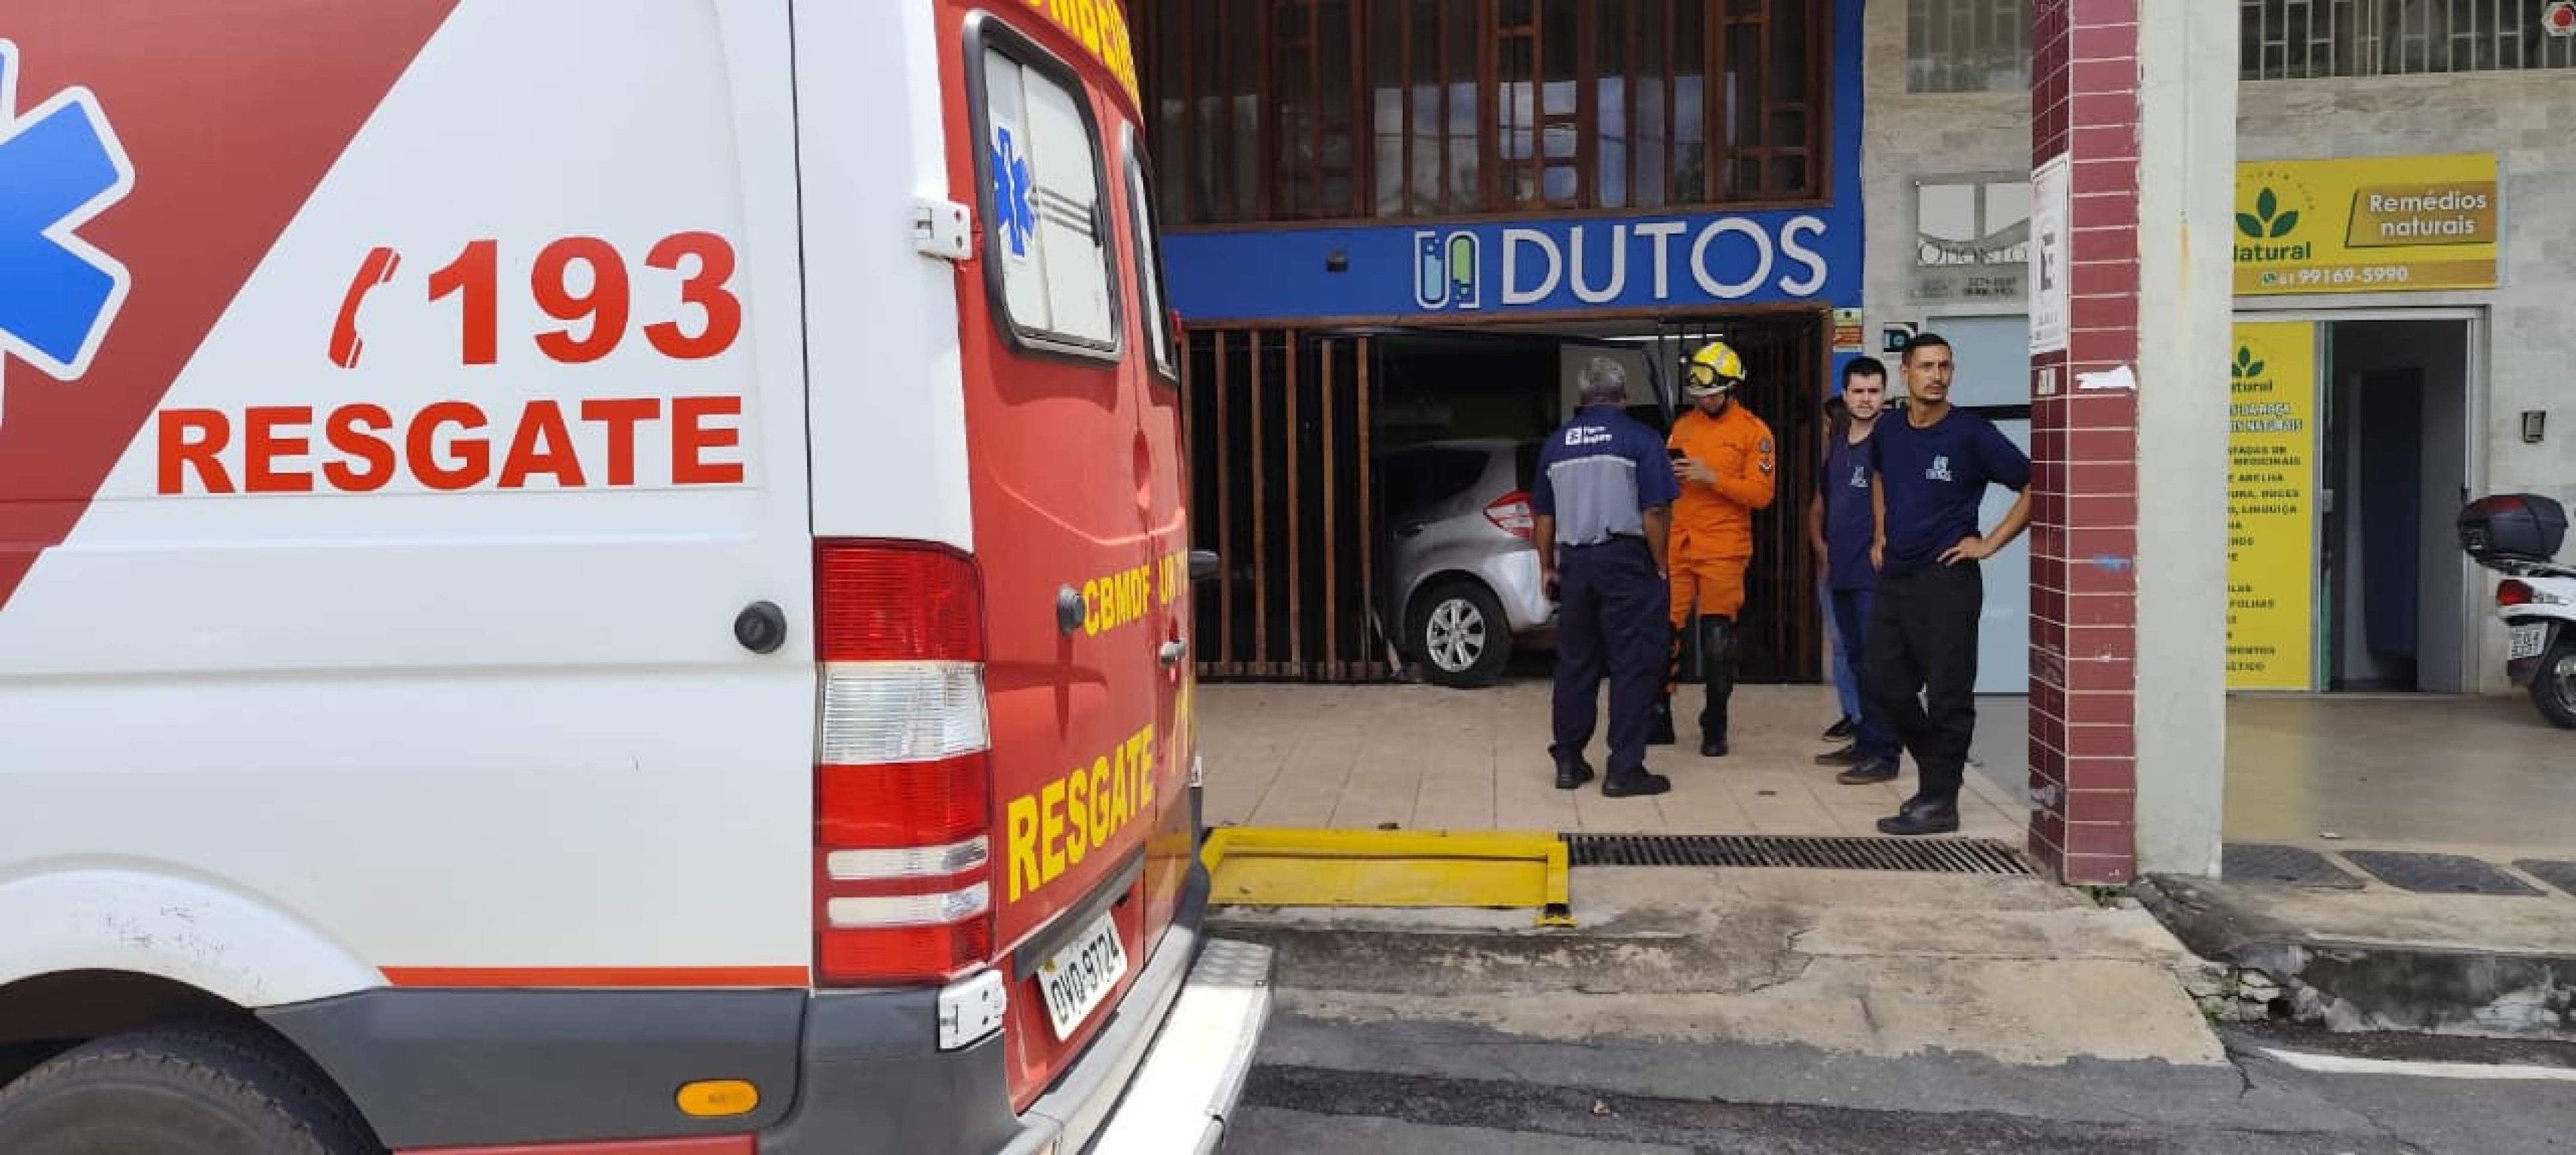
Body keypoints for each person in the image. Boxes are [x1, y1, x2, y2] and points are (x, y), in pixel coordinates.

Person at [1867, 333, 2032, 835]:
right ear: (1906, 372)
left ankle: (1940, 801)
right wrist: (1879, 533)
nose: (1936, 375)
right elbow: (1878, 477)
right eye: (1926, 366)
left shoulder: (1971, 433)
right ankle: (1939, 774)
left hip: (1947, 579)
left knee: (1948, 693)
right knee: (1882, 681)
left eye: (1945, 366)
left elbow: (2033, 484)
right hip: (1896, 574)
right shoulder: (1890, 429)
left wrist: (1990, 543)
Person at [1533, 357, 1679, 798]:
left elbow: (1543, 515)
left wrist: (1546, 566)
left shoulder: (1556, 445)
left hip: (1576, 564)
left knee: (1576, 664)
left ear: (1582, 397)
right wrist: (1660, 563)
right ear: (1624, 394)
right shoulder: (1640, 439)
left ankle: (1570, 762)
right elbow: (1655, 510)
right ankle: (1625, 769)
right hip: (1627, 562)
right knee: (1633, 663)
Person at [1656, 340, 1777, 758]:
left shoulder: (1754, 433)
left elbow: (1762, 495)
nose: (1704, 400)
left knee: (1716, 640)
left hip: (1723, 545)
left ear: (1730, 388)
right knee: (1663, 631)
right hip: (1679, 540)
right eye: (1699, 395)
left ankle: (1715, 720)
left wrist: (1712, 477)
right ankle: (1660, 712)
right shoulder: (1684, 426)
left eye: (1711, 393)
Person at [1807, 358, 1902, 784]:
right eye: (1859, 391)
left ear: (1885, 394)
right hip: (1841, 571)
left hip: (1874, 573)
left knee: (1879, 664)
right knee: (1857, 660)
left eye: (1874, 391)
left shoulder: (1893, 441)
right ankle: (1865, 741)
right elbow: (1828, 502)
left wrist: (1884, 544)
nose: (1866, 399)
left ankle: (1884, 755)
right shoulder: (1841, 440)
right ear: (1845, 396)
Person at [1817, 394, 1862, 744]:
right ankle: (1852, 713)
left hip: (1865, 569)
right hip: (1834, 568)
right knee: (1841, 643)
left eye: (1827, 422)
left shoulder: (1872, 456)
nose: (1824, 429)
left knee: (1863, 644)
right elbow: (1816, 511)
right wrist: (1822, 550)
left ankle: (1868, 717)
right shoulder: (1832, 463)